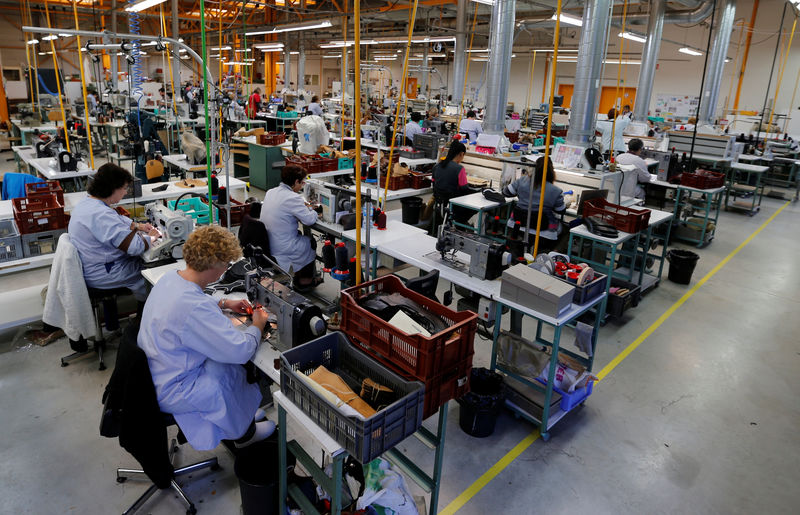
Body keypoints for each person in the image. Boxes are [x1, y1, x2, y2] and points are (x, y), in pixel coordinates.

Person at [138, 225, 275, 451]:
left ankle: (245, 415)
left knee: (223, 368)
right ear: (215, 266)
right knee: (229, 371)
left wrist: (224, 303)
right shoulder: (193, 307)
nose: (224, 272)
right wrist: (259, 323)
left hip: (158, 371)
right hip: (175, 388)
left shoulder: (169, 279)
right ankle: (243, 435)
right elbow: (240, 350)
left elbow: (189, 301)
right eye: (225, 265)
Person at [68, 163, 160, 302]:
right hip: (104, 272)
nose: (125, 192)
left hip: (93, 266)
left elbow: (115, 219)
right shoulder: (100, 214)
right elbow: (134, 247)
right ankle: (149, 313)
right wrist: (151, 238)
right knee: (152, 273)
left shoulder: (88, 203)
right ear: (112, 189)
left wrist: (137, 226)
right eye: (124, 188)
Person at [259, 165, 320, 288]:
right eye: (302, 183)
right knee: (309, 243)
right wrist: (315, 211)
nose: (302, 186)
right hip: (282, 248)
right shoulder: (293, 197)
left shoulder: (271, 192)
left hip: (268, 242)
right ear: (296, 181)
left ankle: (301, 275)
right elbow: (308, 220)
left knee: (301, 238)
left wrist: (303, 208)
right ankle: (304, 281)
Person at [502, 155, 567, 252]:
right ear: (551, 172)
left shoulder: (521, 181)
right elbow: (561, 210)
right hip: (542, 231)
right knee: (566, 229)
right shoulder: (556, 191)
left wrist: (522, 194)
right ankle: (553, 254)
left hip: (517, 226)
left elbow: (505, 192)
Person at [432, 141, 473, 224]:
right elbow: (465, 189)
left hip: (440, 202)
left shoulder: (437, 166)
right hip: (454, 205)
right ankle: (460, 224)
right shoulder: (459, 169)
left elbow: (433, 183)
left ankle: (457, 223)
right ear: (461, 154)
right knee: (473, 206)